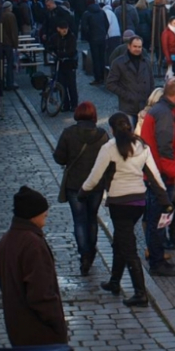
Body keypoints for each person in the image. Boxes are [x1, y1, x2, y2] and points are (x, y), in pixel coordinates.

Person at [81, 112, 170, 307]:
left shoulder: (109, 148)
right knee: (120, 242)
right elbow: (153, 175)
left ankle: (140, 293)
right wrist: (165, 199)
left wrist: (83, 192)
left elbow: (95, 177)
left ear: (112, 129)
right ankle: (114, 282)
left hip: (119, 203)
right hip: (138, 203)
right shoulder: (141, 146)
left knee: (128, 248)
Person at [0, 186, 68, 346]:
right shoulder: (33, 244)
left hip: (16, 327)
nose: (45, 218)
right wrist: (57, 323)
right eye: (44, 214)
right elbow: (41, 292)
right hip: (39, 331)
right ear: (33, 215)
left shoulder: (6, 241)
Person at [53, 102, 110, 275]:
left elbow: (59, 158)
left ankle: (84, 253)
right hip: (96, 184)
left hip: (75, 185)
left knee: (79, 220)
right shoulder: (102, 135)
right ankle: (90, 251)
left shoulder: (69, 133)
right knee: (92, 218)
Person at [139, 77, 175, 276]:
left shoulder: (159, 111)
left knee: (157, 221)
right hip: (160, 177)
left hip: (155, 174)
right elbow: (164, 148)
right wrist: (174, 173)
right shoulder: (164, 114)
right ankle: (157, 262)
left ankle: (157, 257)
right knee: (158, 221)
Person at [105, 35, 154, 128]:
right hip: (128, 107)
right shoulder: (118, 63)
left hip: (144, 106)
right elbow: (110, 83)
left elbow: (151, 81)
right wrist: (126, 95)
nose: (137, 49)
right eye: (135, 46)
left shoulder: (146, 62)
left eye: (139, 47)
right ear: (129, 46)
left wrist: (150, 98)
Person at [47, 19, 79, 112]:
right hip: (59, 64)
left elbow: (71, 51)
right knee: (62, 85)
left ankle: (74, 105)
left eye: (66, 28)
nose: (65, 30)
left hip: (70, 63)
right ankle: (65, 105)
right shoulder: (54, 37)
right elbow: (49, 47)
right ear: (58, 29)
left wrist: (60, 54)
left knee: (71, 85)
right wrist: (53, 52)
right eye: (62, 29)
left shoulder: (71, 37)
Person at [81, 0, 110, 85]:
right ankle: (102, 76)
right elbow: (107, 24)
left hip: (93, 39)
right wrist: (104, 33)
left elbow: (84, 28)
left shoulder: (87, 14)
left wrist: (88, 37)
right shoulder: (102, 12)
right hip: (102, 37)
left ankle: (97, 78)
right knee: (102, 58)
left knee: (95, 58)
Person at [1, 1, 19, 91]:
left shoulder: (0, 15)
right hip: (8, 43)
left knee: (0, 63)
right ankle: (10, 83)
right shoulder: (11, 16)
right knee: (10, 63)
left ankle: (1, 82)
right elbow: (13, 31)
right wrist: (15, 44)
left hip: (0, 43)